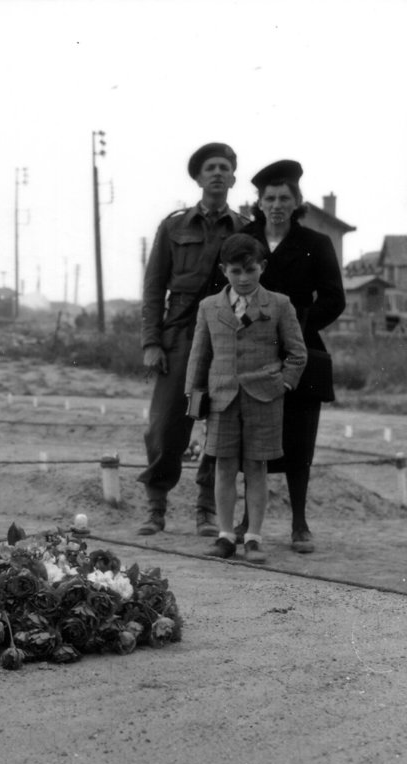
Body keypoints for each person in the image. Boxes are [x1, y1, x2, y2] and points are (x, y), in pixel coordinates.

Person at [138, 143, 249, 536]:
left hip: (227, 332)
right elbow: (153, 288)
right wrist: (152, 342)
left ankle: (206, 508)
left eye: (224, 167)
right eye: (210, 168)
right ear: (199, 177)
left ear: (233, 177)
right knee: (166, 422)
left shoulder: (244, 229)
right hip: (180, 331)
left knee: (221, 421)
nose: (217, 173)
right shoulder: (174, 226)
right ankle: (155, 507)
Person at [235, 160, 346, 554]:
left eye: (285, 197)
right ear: (259, 202)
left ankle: (300, 524)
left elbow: (335, 298)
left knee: (300, 439)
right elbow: (223, 288)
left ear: (297, 201)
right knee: (252, 438)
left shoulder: (316, 244)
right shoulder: (245, 239)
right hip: (251, 349)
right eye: (270, 198)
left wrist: (296, 324)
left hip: (301, 350)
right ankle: (248, 522)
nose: (277, 204)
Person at [187, 234, 306, 564]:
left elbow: (297, 353)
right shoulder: (209, 307)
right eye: (235, 271)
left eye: (250, 270)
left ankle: (253, 537)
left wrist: (283, 384)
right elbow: (199, 356)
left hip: (265, 398)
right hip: (222, 397)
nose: (243, 278)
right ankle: (225, 536)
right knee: (223, 467)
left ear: (262, 267)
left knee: (257, 466)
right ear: (224, 270)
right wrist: (195, 398)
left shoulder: (279, 304)